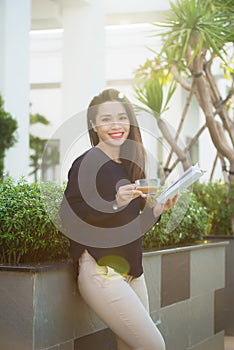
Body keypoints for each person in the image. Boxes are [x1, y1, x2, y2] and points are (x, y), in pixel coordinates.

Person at [60, 88, 178, 350]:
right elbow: (67, 218)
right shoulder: (87, 163)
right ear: (93, 125)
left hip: (133, 272)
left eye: (121, 118)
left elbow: (127, 227)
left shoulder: (127, 164)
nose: (116, 125)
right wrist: (114, 204)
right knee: (153, 346)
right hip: (102, 271)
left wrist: (156, 211)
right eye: (106, 119)